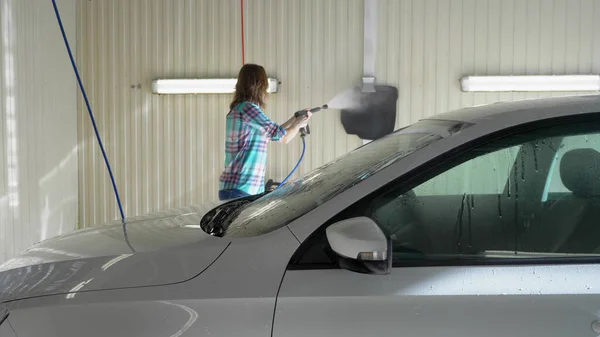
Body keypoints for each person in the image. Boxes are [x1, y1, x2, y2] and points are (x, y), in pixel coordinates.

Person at [218, 64, 311, 201]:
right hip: (241, 188)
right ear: (259, 85)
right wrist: (299, 124)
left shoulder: (241, 108)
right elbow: (283, 137)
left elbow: (273, 133)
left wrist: (295, 119)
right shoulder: (248, 108)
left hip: (241, 188)